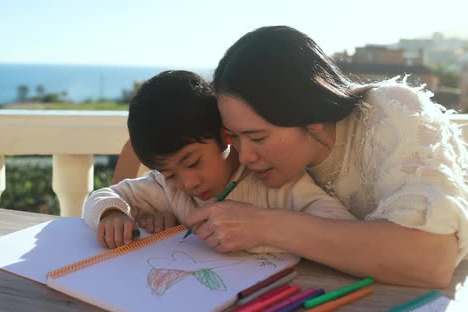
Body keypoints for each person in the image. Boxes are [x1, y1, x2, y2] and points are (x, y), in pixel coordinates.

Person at [185, 25, 468, 288]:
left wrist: (264, 226)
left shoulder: (390, 112)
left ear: (312, 115)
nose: (244, 156)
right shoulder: (265, 161)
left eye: (258, 137)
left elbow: (430, 257)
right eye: (232, 137)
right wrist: (146, 210)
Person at [83, 70, 356, 250]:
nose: (187, 183)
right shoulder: (167, 190)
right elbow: (102, 196)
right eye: (169, 173)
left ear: (224, 136)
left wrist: (266, 229)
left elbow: (340, 226)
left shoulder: (274, 180)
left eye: (192, 163)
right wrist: (113, 213)